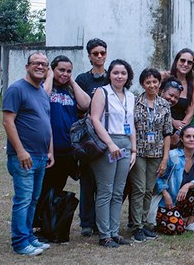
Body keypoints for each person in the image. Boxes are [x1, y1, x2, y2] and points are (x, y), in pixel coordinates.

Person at [3, 52, 54, 256]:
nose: (40, 67)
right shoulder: (16, 89)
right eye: (36, 63)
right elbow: (8, 121)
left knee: (33, 200)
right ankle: (20, 242)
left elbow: (46, 122)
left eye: (44, 64)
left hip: (41, 156)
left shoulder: (41, 92)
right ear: (27, 67)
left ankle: (29, 236)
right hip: (24, 157)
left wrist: (50, 151)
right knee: (23, 200)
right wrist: (20, 151)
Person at [35, 56, 90, 228]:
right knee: (43, 188)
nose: (65, 74)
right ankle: (37, 223)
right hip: (48, 148)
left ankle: (50, 224)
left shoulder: (70, 90)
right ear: (52, 69)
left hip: (68, 149)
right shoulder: (43, 86)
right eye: (61, 70)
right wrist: (50, 76)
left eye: (69, 71)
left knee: (57, 188)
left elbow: (86, 104)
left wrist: (72, 81)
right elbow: (42, 98)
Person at [89, 59, 137, 248]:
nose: (119, 76)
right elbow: (95, 119)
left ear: (128, 76)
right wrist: (110, 144)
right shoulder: (102, 92)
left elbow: (131, 124)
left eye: (123, 73)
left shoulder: (130, 96)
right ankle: (104, 234)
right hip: (107, 142)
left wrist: (134, 149)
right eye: (115, 72)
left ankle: (115, 232)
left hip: (125, 143)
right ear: (109, 74)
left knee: (118, 191)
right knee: (106, 190)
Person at [128, 68, 173, 242]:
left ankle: (145, 223)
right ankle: (136, 226)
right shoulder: (135, 102)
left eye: (155, 82)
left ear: (160, 83)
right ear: (142, 84)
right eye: (148, 82)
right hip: (139, 151)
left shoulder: (164, 105)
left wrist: (165, 158)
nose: (152, 85)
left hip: (156, 153)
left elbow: (167, 132)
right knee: (139, 189)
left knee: (149, 189)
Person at [74, 38, 109, 237]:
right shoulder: (83, 79)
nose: (99, 56)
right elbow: (80, 106)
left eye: (102, 52)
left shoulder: (112, 77)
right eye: (95, 53)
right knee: (87, 181)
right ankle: (87, 222)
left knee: (105, 182)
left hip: (109, 135)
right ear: (89, 56)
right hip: (88, 137)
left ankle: (101, 220)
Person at [156, 125, 194, 234]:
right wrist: (165, 194)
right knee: (177, 228)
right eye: (188, 136)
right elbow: (158, 178)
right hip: (169, 201)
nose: (191, 139)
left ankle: (190, 223)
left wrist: (188, 185)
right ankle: (174, 220)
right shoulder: (172, 156)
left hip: (186, 200)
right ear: (181, 139)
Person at [166, 49, 194, 138]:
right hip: (162, 125)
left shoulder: (192, 85)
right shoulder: (165, 79)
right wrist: (172, 121)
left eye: (189, 62)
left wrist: (179, 132)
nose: (185, 64)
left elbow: (190, 112)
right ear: (176, 61)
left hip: (181, 131)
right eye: (182, 60)